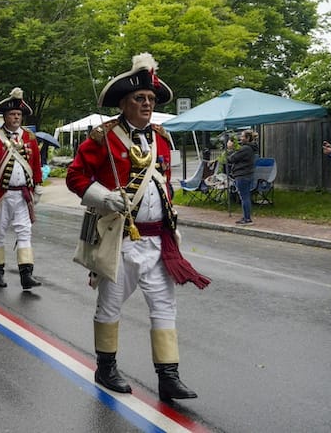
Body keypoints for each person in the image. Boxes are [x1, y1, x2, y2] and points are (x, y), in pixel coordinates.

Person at [66, 53, 210, 400]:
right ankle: (106, 367)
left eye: (150, 99)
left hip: (158, 240)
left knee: (164, 305)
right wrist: (103, 196)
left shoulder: (161, 137)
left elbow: (165, 183)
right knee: (110, 305)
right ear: (124, 103)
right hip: (120, 240)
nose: (147, 104)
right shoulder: (104, 137)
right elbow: (75, 177)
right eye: (139, 99)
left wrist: (170, 220)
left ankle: (168, 376)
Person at [0, 87, 44, 290]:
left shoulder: (30, 137)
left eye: (18, 114)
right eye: (12, 114)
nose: (16, 117)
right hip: (2, 193)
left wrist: (38, 187)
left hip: (23, 193)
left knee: (25, 232)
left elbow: (36, 164)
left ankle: (26, 274)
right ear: (4, 117)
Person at [227, 129, 259, 225]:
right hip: (247, 175)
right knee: (245, 196)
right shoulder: (249, 148)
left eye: (242, 136)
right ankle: (246, 217)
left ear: (247, 138)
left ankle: (247, 218)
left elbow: (231, 159)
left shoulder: (245, 149)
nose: (240, 138)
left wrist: (230, 149)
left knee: (244, 197)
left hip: (242, 175)